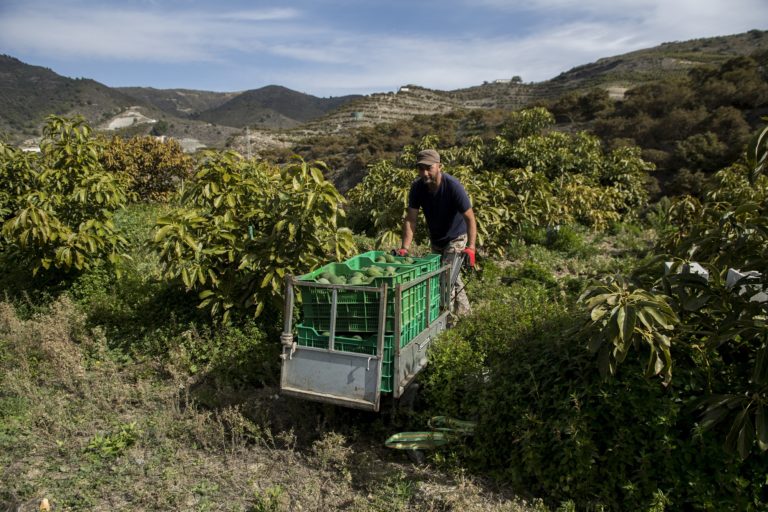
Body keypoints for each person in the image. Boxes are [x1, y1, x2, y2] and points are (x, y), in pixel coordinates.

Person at [396, 149, 476, 316]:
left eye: (429, 168)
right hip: (437, 239)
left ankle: (447, 321)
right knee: (451, 277)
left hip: (456, 237)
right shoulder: (417, 188)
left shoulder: (453, 186)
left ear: (439, 166)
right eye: (420, 168)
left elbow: (470, 218)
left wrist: (471, 247)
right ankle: (466, 314)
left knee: (445, 279)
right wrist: (405, 247)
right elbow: (411, 219)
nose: (424, 173)